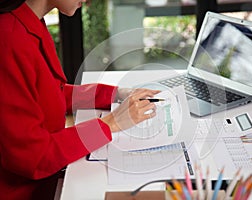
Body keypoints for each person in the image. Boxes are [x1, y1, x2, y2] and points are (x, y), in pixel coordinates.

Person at [0, 0, 160, 199]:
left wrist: (115, 94)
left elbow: (48, 94)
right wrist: (109, 125)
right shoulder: (9, 39)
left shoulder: (28, 22)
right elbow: (34, 158)